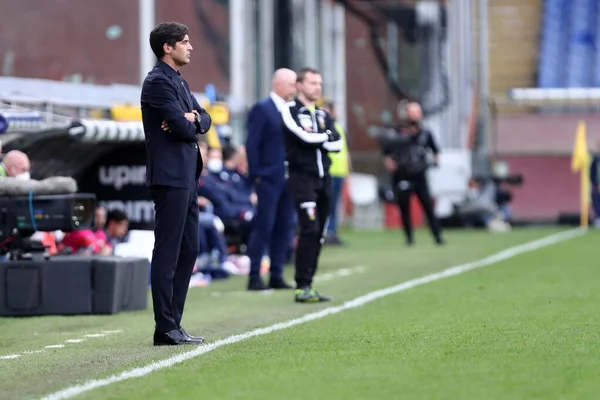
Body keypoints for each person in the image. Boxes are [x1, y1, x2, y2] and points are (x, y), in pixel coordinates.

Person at [141, 22, 212, 346]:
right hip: (170, 177)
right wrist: (189, 121)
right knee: (168, 251)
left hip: (186, 176)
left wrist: (192, 117)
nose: (190, 46)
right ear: (167, 47)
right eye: (184, 42)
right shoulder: (157, 82)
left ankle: (175, 324)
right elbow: (184, 131)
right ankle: (164, 327)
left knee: (189, 248)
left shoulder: (178, 81)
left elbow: (203, 121)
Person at [281, 67, 343, 303]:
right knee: (308, 228)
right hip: (302, 178)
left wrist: (323, 138)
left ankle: (308, 283)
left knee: (319, 233)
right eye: (313, 83)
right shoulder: (290, 109)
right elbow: (302, 137)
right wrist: (324, 138)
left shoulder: (323, 114)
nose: (318, 87)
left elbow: (337, 143)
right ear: (299, 85)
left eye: (320, 83)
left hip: (323, 178)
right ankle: (301, 286)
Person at [244, 69, 297, 291]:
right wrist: (256, 175)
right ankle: (255, 274)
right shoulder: (263, 109)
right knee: (264, 225)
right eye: (293, 84)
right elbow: (252, 144)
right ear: (279, 84)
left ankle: (277, 273)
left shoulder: (291, 111)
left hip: (288, 178)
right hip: (268, 178)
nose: (295, 89)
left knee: (284, 226)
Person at [381, 102, 444, 246]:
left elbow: (435, 151)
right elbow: (387, 151)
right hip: (402, 174)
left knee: (427, 205)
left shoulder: (425, 133)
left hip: (419, 173)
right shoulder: (398, 132)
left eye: (417, 111)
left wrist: (435, 161)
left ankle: (437, 235)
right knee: (404, 206)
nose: (415, 114)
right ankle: (409, 238)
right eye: (412, 111)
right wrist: (390, 162)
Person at [318, 99, 351, 246]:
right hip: (328, 171)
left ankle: (332, 232)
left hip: (340, 172)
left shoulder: (339, 127)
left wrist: (348, 171)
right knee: (327, 203)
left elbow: (346, 151)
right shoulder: (321, 128)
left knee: (335, 204)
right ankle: (326, 233)